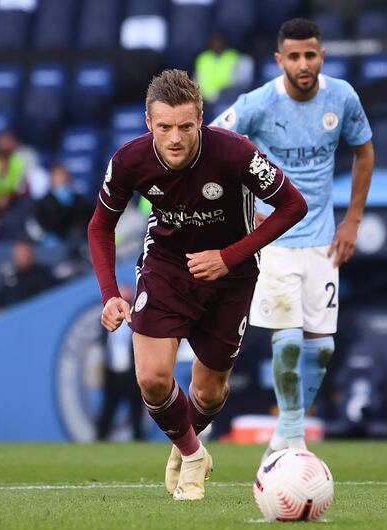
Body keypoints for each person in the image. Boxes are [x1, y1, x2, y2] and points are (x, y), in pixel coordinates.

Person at [88, 69, 307, 501]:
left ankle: (185, 444)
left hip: (233, 276)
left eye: (185, 126)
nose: (175, 138)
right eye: (164, 127)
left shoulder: (234, 152)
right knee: (152, 377)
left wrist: (228, 257)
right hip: (166, 266)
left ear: (201, 120)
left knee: (209, 391)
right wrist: (110, 293)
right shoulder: (130, 160)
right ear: (148, 122)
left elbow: (292, 205)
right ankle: (192, 453)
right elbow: (100, 226)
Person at [211, 18, 374, 459]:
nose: (304, 64)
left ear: (322, 55)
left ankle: (286, 429)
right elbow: (213, 141)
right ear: (279, 59)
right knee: (286, 337)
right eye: (295, 56)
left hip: (323, 238)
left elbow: (364, 150)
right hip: (276, 240)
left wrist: (353, 220)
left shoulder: (341, 98)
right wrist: (242, 206)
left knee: (322, 348)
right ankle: (293, 437)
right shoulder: (259, 103)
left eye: (312, 54)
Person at [96, 284, 145, 441]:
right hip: (113, 374)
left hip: (132, 374)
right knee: (107, 410)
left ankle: (138, 441)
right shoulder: (107, 322)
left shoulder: (137, 319)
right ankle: (99, 441)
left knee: (136, 411)